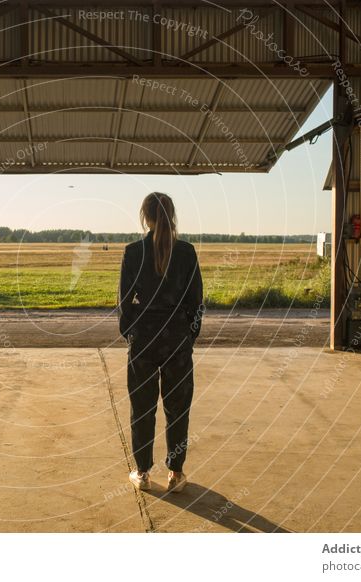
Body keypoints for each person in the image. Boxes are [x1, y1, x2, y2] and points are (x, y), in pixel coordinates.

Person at [118, 192, 204, 493]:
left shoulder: (132, 252)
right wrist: (188, 336)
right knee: (177, 407)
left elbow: (124, 305)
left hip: (143, 338)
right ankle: (176, 474)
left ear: (146, 217)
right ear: (172, 214)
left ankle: (142, 473)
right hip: (177, 338)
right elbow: (196, 302)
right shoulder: (187, 252)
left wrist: (131, 333)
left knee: (142, 407)